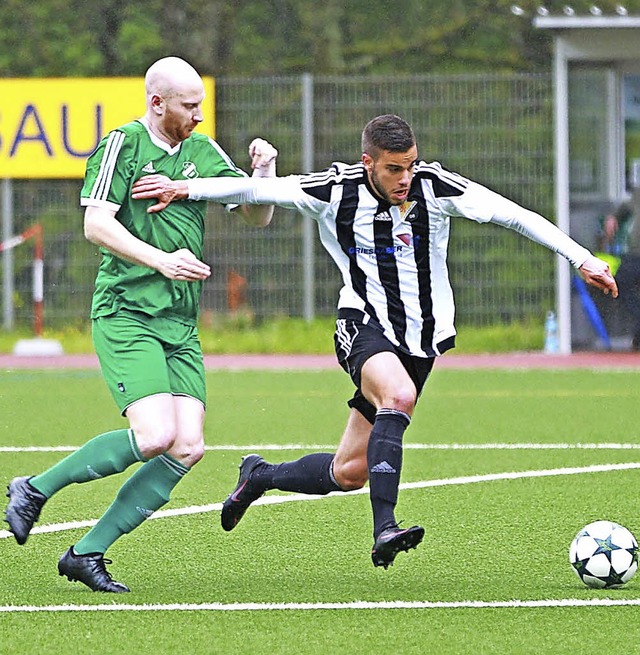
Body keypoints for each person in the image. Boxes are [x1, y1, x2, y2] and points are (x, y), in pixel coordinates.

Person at [131, 114, 618, 570]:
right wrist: (184, 188)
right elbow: (263, 189)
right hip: (361, 321)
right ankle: (385, 528)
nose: (404, 178)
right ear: (369, 163)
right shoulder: (335, 189)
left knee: (349, 471)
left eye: (409, 166)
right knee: (398, 395)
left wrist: (581, 258)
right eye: (392, 169)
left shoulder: (435, 187)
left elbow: (515, 215)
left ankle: (259, 475)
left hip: (420, 340)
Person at [3, 56, 278, 592]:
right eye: (188, 106)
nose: (199, 115)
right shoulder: (122, 144)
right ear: (157, 103)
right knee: (155, 436)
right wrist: (160, 259)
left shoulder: (203, 151)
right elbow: (95, 224)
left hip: (179, 322)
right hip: (127, 312)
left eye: (202, 105)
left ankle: (86, 553)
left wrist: (263, 174)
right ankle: (34, 488)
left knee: (187, 447)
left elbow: (256, 214)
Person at [597, 201, 640, 349]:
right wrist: (613, 217)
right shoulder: (638, 194)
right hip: (635, 255)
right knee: (620, 282)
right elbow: (626, 206)